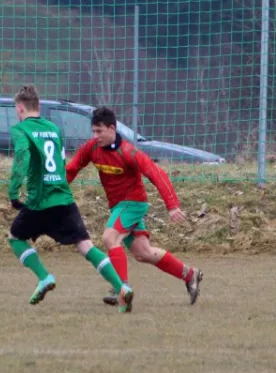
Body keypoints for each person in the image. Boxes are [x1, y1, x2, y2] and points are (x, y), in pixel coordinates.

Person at [7, 85, 134, 313]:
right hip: (63, 197)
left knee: (15, 237)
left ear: (20, 108)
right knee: (85, 245)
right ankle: (121, 287)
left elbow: (23, 157)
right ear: (39, 106)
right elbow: (60, 161)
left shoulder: (21, 129)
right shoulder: (54, 129)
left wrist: (14, 193)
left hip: (39, 200)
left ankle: (44, 277)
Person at [65, 106, 203, 306]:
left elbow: (156, 174)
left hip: (133, 203)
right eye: (93, 131)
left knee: (109, 237)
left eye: (99, 131)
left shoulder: (129, 152)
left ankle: (121, 288)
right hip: (119, 207)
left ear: (112, 128)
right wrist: (55, 191)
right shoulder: (91, 149)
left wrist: (172, 205)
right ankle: (190, 275)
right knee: (143, 253)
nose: (95, 136)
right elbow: (71, 169)